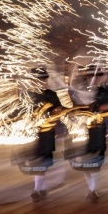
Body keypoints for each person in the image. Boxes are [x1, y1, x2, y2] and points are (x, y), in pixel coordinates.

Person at [69, 64, 108, 202]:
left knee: (96, 161)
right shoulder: (78, 89)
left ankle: (93, 189)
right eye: (90, 75)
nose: (94, 78)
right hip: (82, 131)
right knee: (85, 164)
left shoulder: (105, 92)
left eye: (96, 75)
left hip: (101, 131)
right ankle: (92, 188)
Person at [20, 67, 65, 202]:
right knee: (38, 161)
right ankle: (41, 187)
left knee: (41, 161)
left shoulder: (51, 94)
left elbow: (59, 109)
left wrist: (57, 110)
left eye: (44, 79)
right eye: (39, 79)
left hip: (47, 132)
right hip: (32, 132)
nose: (42, 82)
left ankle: (37, 189)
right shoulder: (27, 94)